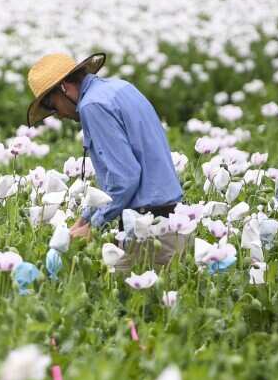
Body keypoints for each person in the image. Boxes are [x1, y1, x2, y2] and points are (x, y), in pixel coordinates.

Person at [25, 53, 185, 270]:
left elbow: (125, 178)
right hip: (173, 218)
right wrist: (84, 218)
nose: (59, 115)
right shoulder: (119, 88)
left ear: (64, 88)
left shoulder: (92, 106)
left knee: (131, 299)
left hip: (148, 227)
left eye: (53, 105)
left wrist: (94, 225)